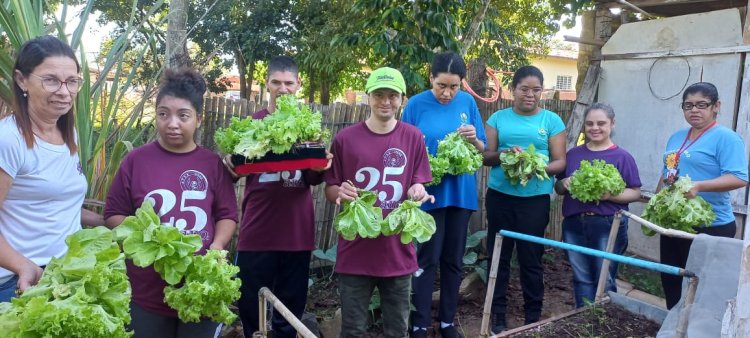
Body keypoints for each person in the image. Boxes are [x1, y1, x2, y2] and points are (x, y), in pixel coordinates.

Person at [104, 68, 238, 338]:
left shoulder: (211, 164)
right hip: (146, 291)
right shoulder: (136, 161)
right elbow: (114, 213)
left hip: (199, 288)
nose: (172, 123)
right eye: (163, 114)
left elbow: (227, 215)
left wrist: (217, 245)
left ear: (198, 119)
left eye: (183, 115)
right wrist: (148, 240)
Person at [324, 67, 433, 338]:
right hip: (355, 253)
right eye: (379, 95)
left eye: (392, 95)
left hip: (398, 252)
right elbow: (330, 189)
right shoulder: (345, 139)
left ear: (402, 99)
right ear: (368, 97)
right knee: (352, 330)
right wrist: (341, 193)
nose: (386, 101)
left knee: (397, 329)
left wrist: (418, 190)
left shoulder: (412, 137)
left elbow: (418, 182)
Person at [225, 55, 328, 338]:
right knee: (249, 300)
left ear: (298, 85)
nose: (282, 88)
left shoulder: (308, 125)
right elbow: (236, 172)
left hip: (296, 230)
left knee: (291, 303)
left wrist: (321, 167)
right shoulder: (251, 124)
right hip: (258, 229)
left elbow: (313, 177)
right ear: (266, 83)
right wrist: (229, 164)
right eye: (276, 82)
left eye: (289, 83)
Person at [0, 35, 104, 303]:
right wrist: (22, 266)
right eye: (51, 80)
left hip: (60, 276)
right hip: (17, 282)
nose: (64, 91)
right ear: (22, 80)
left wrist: (106, 223)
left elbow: (55, 206)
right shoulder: (9, 140)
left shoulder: (69, 135)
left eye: (72, 81)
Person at [402, 52, 486, 338]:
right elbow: (405, 151)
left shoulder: (468, 102)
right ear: (431, 79)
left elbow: (482, 150)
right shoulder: (415, 105)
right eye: (441, 86)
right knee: (425, 260)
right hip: (427, 196)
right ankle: (420, 324)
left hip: (460, 195)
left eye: (454, 86)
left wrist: (474, 138)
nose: (448, 93)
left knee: (453, 260)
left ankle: (448, 323)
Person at [482, 65, 566, 333]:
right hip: (500, 197)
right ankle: (497, 313)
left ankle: (533, 315)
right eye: (524, 89)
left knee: (531, 257)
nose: (530, 95)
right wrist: (507, 154)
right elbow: (486, 157)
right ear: (513, 89)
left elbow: (560, 162)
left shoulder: (551, 121)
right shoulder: (497, 118)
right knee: (499, 255)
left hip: (535, 199)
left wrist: (535, 165)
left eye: (536, 90)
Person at [657, 82, 747, 309]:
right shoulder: (676, 137)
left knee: (701, 289)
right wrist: (658, 201)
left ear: (716, 106)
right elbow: (667, 172)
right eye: (688, 106)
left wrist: (699, 186)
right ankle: (673, 330)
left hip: (710, 224)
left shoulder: (726, 138)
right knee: (672, 282)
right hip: (674, 222)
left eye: (701, 105)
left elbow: (739, 177)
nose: (694, 110)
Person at [554, 103, 641, 308]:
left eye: (601, 123)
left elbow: (635, 192)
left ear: (612, 124)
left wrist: (610, 195)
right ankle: (583, 321)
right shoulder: (573, 154)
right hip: (574, 223)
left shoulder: (622, 157)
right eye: (589, 123)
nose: (595, 128)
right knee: (580, 277)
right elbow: (558, 187)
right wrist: (564, 184)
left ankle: (603, 324)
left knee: (605, 278)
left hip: (608, 224)